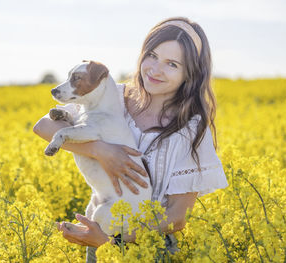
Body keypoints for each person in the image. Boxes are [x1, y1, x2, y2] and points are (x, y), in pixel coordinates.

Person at [33, 16, 229, 262]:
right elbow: (44, 126)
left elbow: (177, 217)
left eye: (172, 64)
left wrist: (111, 241)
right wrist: (101, 151)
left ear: (190, 74)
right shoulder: (112, 96)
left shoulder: (190, 130)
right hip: (102, 222)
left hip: (150, 248)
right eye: (152, 56)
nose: (155, 69)